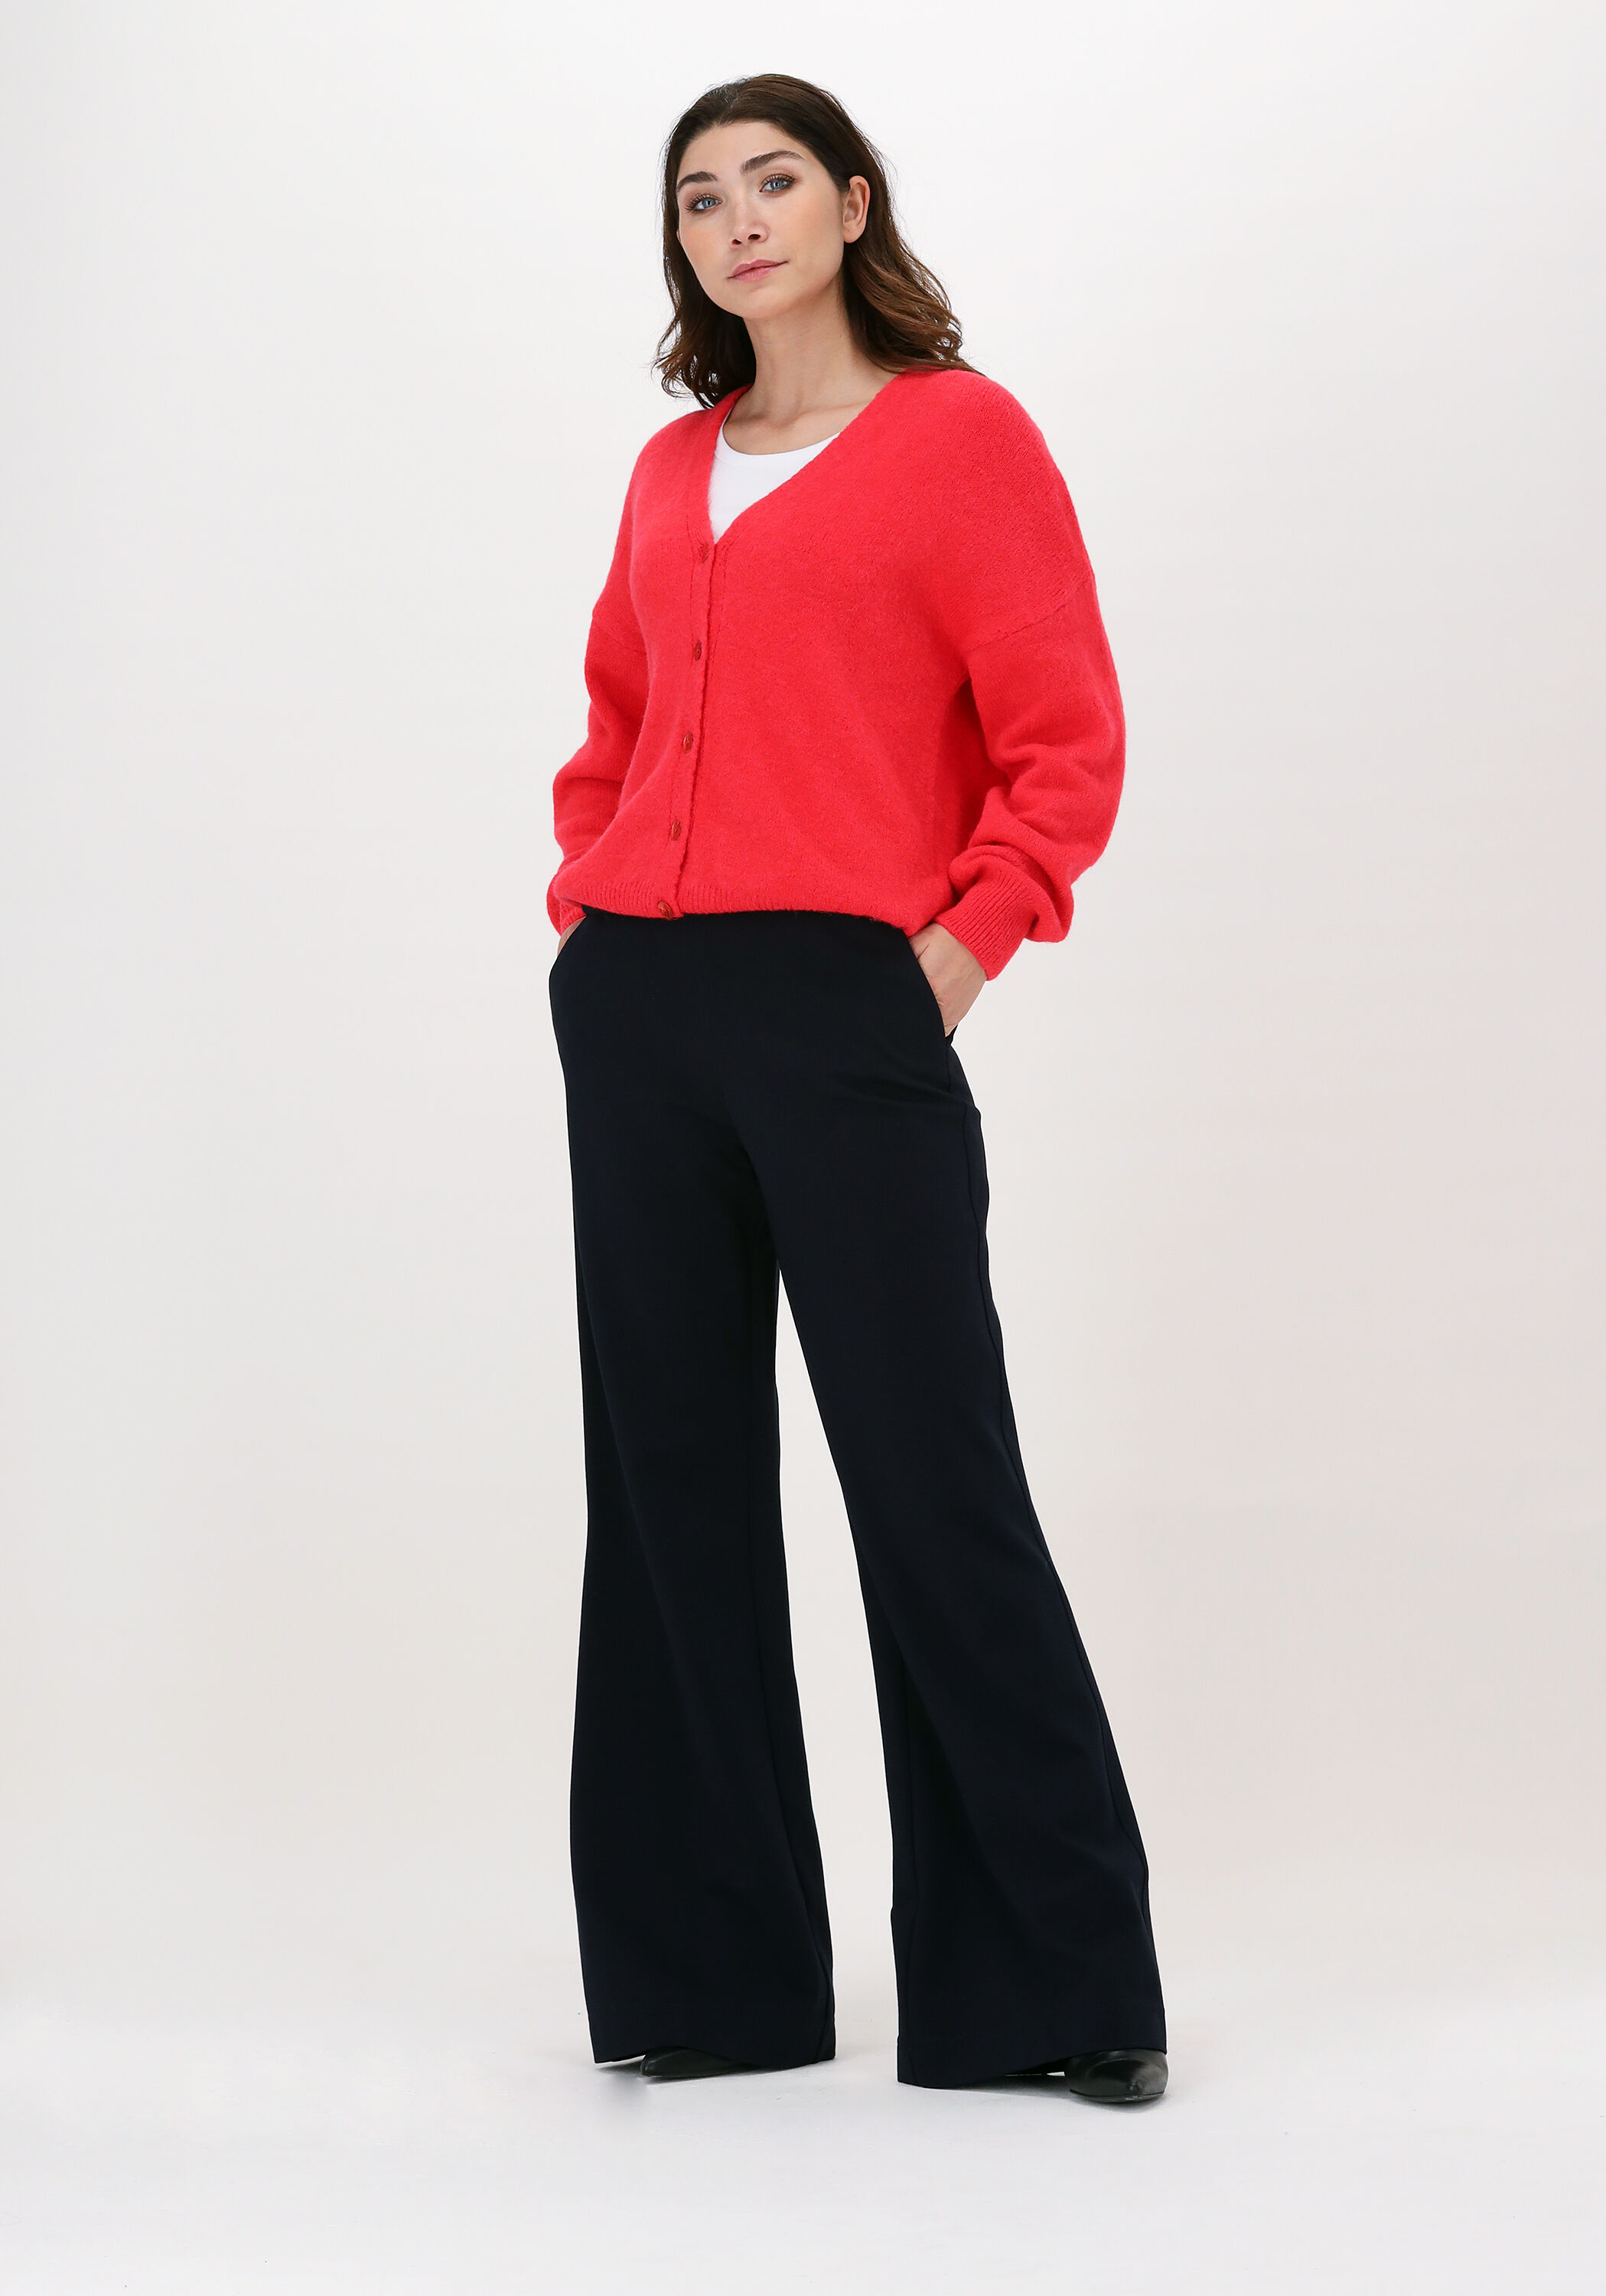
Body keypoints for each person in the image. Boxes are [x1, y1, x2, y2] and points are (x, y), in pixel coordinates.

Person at [545, 73, 1168, 2105]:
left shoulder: (961, 439)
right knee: (667, 1489)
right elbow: (617, 718)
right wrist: (587, 907)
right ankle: (705, 1982)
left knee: (930, 1478)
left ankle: (1054, 1990)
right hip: (641, 1007)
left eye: (772, 181)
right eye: (698, 197)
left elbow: (1062, 737)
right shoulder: (670, 469)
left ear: (850, 203)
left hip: (852, 1004)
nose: (735, 219)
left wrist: (960, 951)